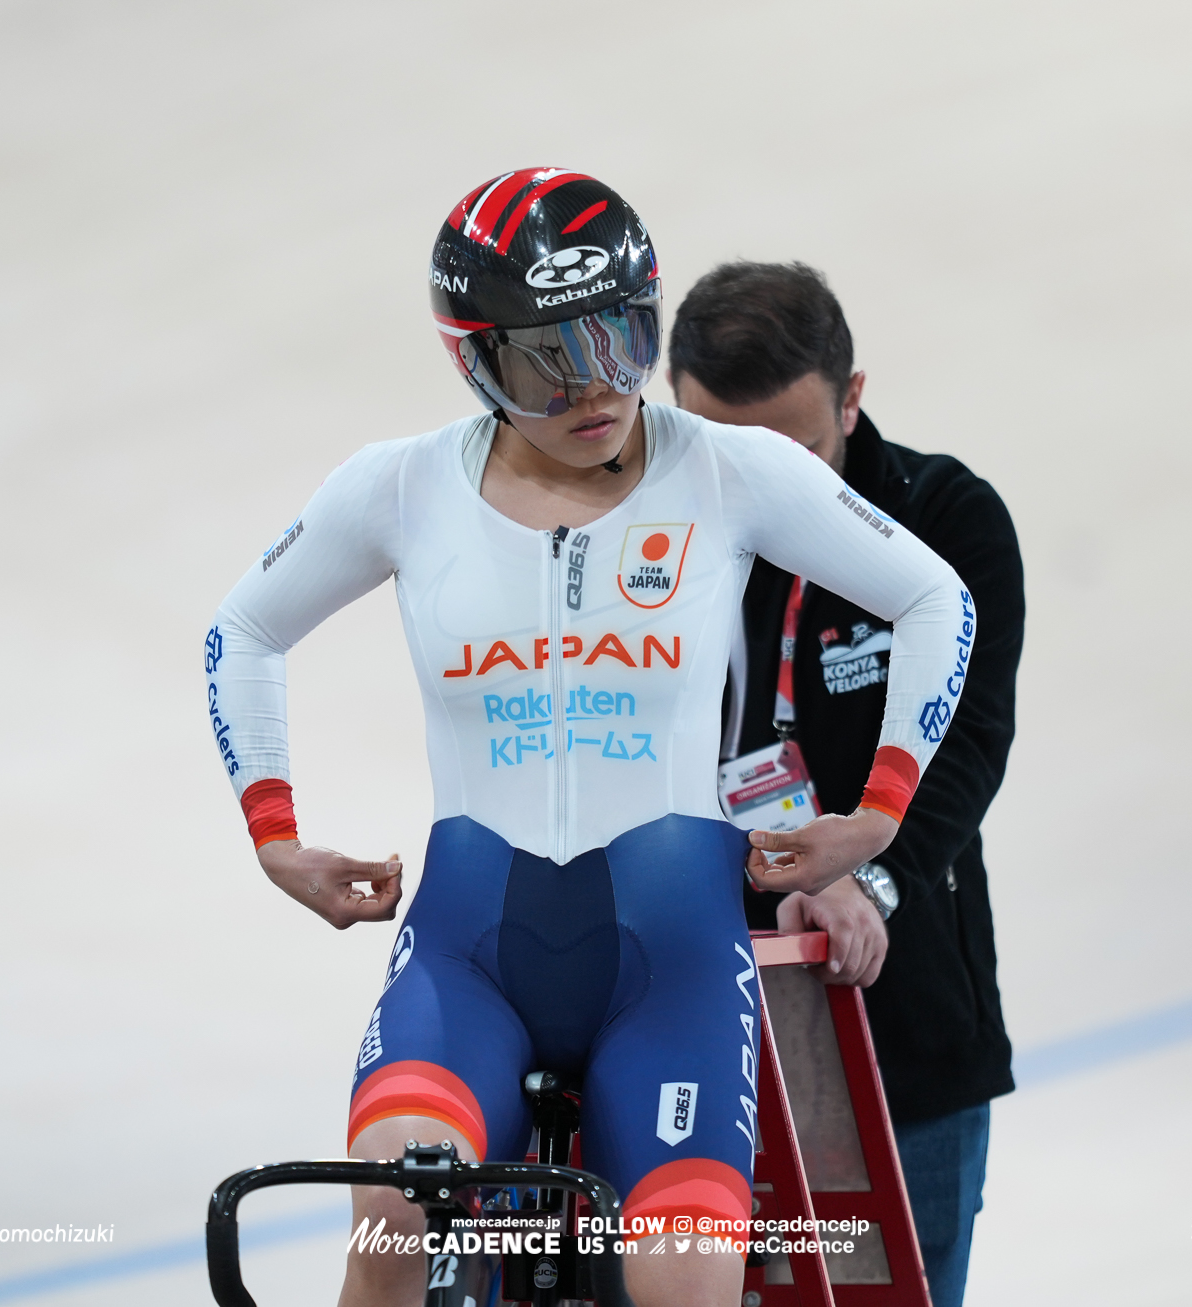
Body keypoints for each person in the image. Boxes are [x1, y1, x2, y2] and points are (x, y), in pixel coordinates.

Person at [204, 170, 977, 1307]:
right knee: (388, 1227)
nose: (593, 385)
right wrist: (274, 835)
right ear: (474, 361)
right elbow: (245, 627)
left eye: (621, 335)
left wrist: (878, 813)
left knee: (686, 1285)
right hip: (473, 950)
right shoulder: (402, 486)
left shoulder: (727, 468)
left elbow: (935, 600)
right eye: (542, 359)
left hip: (670, 962)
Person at [671, 262, 1023, 1307]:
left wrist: (871, 878)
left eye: (799, 452)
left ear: (853, 396)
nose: (768, 492)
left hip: (891, 1019)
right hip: (700, 1027)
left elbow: (968, 741)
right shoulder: (652, 532)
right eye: (731, 456)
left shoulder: (941, 519)